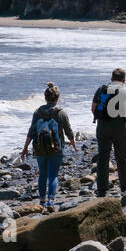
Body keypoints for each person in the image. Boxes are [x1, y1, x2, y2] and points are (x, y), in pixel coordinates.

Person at [21, 82, 77, 212]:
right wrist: (73, 143)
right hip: (56, 148)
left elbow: (31, 131)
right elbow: (68, 131)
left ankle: (42, 202)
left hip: (39, 148)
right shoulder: (61, 112)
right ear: (57, 99)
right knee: (53, 175)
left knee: (42, 175)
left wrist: (25, 148)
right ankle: (51, 201)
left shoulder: (37, 112)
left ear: (45, 98)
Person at [91, 68, 126, 197]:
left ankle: (102, 188)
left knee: (103, 157)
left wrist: (103, 119)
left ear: (111, 79)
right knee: (121, 157)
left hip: (102, 127)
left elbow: (93, 108)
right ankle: (124, 185)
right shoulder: (125, 91)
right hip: (119, 127)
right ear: (124, 80)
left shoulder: (101, 89)